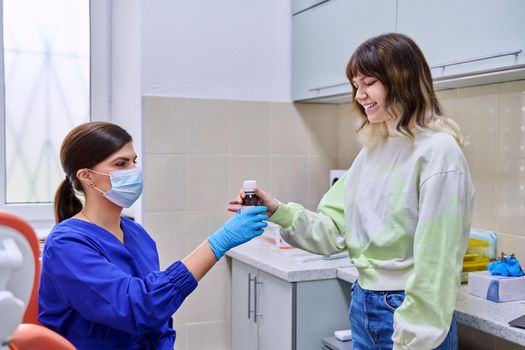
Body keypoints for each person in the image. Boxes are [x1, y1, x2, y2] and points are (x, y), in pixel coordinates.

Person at [229, 33, 475, 350]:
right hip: (365, 305)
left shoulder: (438, 152)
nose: (359, 95)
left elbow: (436, 265)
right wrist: (278, 210)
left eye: (369, 83)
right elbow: (333, 230)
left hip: (409, 313)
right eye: (356, 85)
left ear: (402, 81)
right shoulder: (373, 151)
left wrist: (413, 336)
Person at [39, 121, 268, 349]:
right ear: (87, 176)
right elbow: (137, 308)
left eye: (134, 161)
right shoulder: (66, 244)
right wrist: (219, 242)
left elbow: (159, 318)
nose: (133, 171)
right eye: (121, 164)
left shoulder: (137, 234)